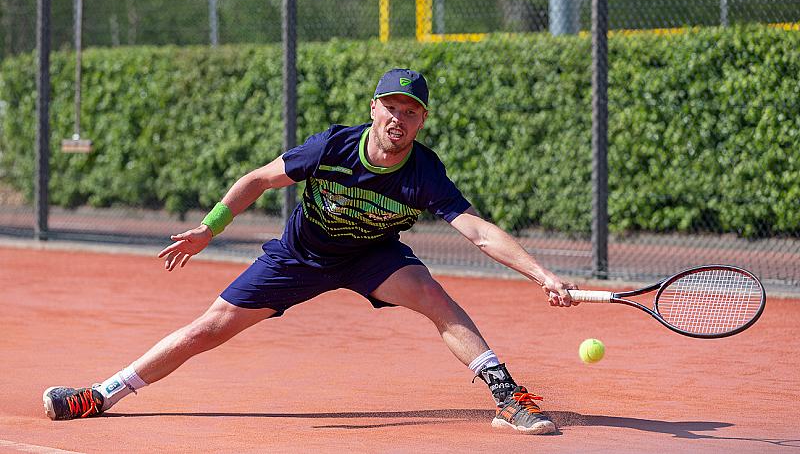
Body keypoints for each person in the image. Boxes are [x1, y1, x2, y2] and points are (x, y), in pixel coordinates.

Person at [43, 68, 578, 434]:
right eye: (391, 107)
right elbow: (258, 179)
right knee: (210, 327)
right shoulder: (331, 146)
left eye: (411, 112)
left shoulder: (425, 171)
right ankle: (102, 394)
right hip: (299, 255)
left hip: (373, 256)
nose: (399, 119)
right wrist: (209, 228)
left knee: (438, 302)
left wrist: (542, 275)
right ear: (374, 109)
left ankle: (507, 398)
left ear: (422, 121)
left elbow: (478, 231)